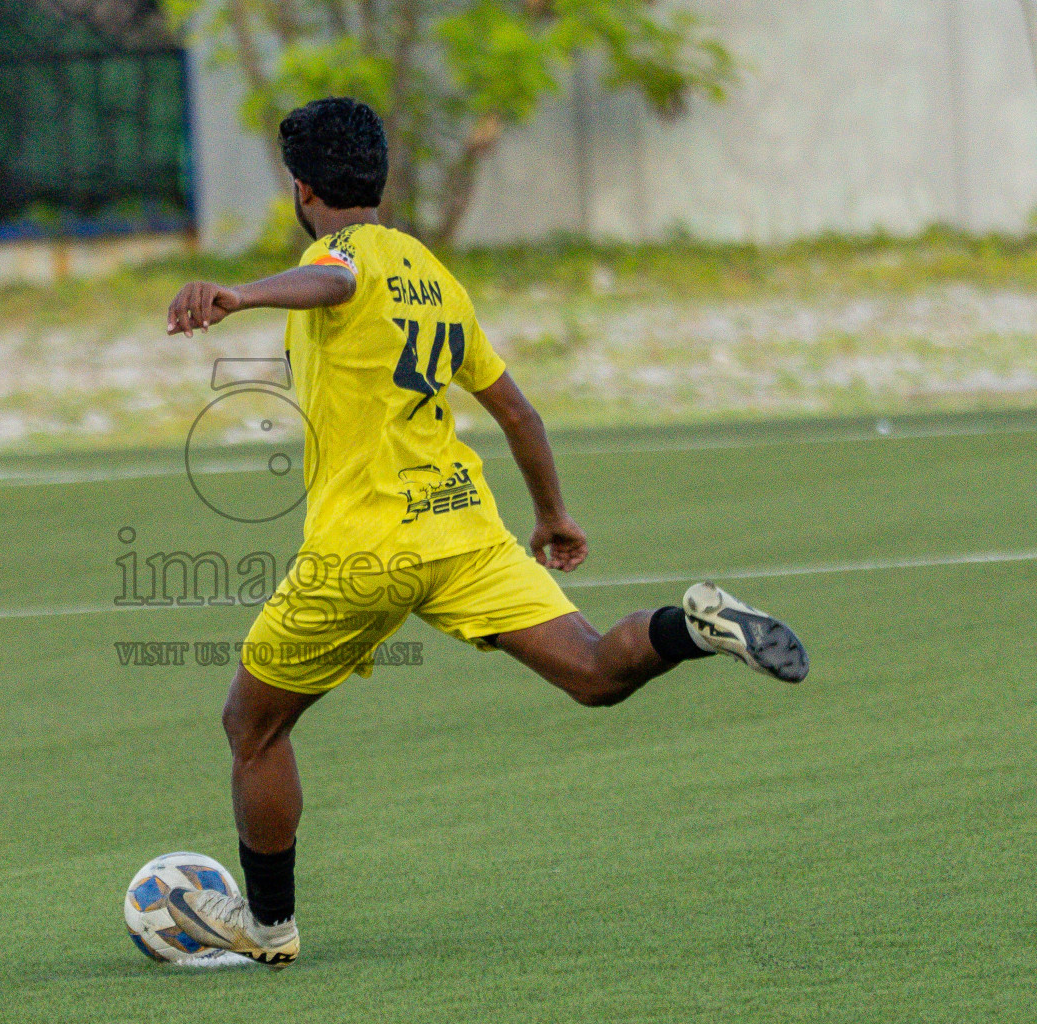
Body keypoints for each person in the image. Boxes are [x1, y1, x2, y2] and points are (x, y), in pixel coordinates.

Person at [159, 98, 809, 969]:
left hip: (364, 548)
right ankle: (690, 626)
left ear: (302, 189)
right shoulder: (433, 275)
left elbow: (334, 281)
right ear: (381, 178)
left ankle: (268, 928)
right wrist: (553, 514)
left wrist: (238, 294)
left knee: (254, 727)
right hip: (463, 530)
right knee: (593, 671)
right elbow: (518, 412)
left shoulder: (336, 257)